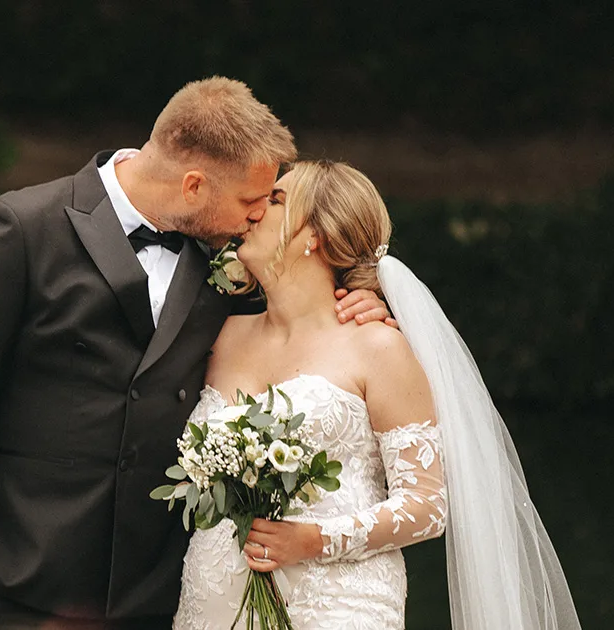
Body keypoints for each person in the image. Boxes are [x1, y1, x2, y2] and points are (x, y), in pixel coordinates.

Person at [0, 78, 393, 629]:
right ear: (192, 185)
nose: (257, 217)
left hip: (161, 591)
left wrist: (359, 302)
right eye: (250, 201)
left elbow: (302, 318)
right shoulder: (18, 231)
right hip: (15, 580)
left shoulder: (236, 259)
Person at [174, 160, 581, 629]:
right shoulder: (219, 335)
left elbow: (428, 506)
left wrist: (313, 540)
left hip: (336, 603)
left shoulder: (379, 346)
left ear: (315, 237)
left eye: (277, 200)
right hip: (214, 596)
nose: (255, 211)